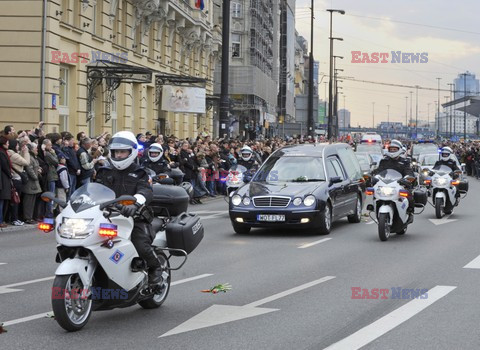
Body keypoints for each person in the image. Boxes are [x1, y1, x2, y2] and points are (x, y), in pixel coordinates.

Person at [95, 131, 162, 286]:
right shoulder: (104, 172)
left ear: (131, 152)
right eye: (116, 152)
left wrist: (135, 204)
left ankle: (155, 267)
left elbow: (146, 191)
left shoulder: (140, 172)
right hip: (107, 216)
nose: (118, 155)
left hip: (134, 217)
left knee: (139, 243)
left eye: (122, 151)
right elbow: (94, 190)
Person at [375, 139, 415, 218]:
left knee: (409, 195)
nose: (392, 151)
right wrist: (373, 176)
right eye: (391, 149)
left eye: (394, 149)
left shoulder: (405, 162)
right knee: (375, 194)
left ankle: (409, 212)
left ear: (399, 150)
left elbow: (409, 172)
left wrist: (407, 178)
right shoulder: (384, 161)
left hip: (400, 184)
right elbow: (378, 171)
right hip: (385, 184)